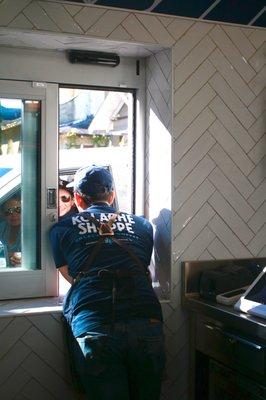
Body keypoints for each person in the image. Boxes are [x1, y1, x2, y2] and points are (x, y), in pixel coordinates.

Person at [50, 165, 165, 400]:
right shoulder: (143, 226)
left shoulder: (61, 228)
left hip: (95, 323)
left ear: (78, 199)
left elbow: (71, 276)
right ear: (111, 196)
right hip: (146, 320)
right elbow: (142, 268)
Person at [0, 195, 21, 266]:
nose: (14, 214)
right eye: (9, 212)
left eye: (18, 210)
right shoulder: (3, 227)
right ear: (4, 215)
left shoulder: (30, 229)